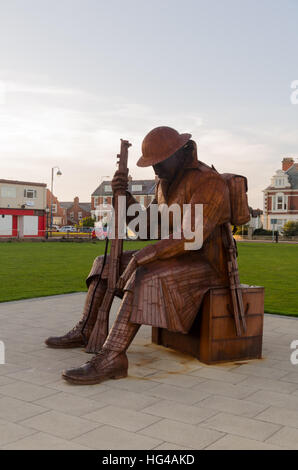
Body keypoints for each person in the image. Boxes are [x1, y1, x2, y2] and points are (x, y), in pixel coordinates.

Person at [45, 126, 231, 385]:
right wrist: (123, 197)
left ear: (179, 153)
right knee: (104, 263)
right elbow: (145, 227)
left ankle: (113, 356)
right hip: (176, 258)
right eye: (152, 164)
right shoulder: (164, 185)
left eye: (160, 162)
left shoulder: (208, 182)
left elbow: (192, 235)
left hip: (206, 265)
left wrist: (147, 255)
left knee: (145, 273)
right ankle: (87, 328)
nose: (155, 170)